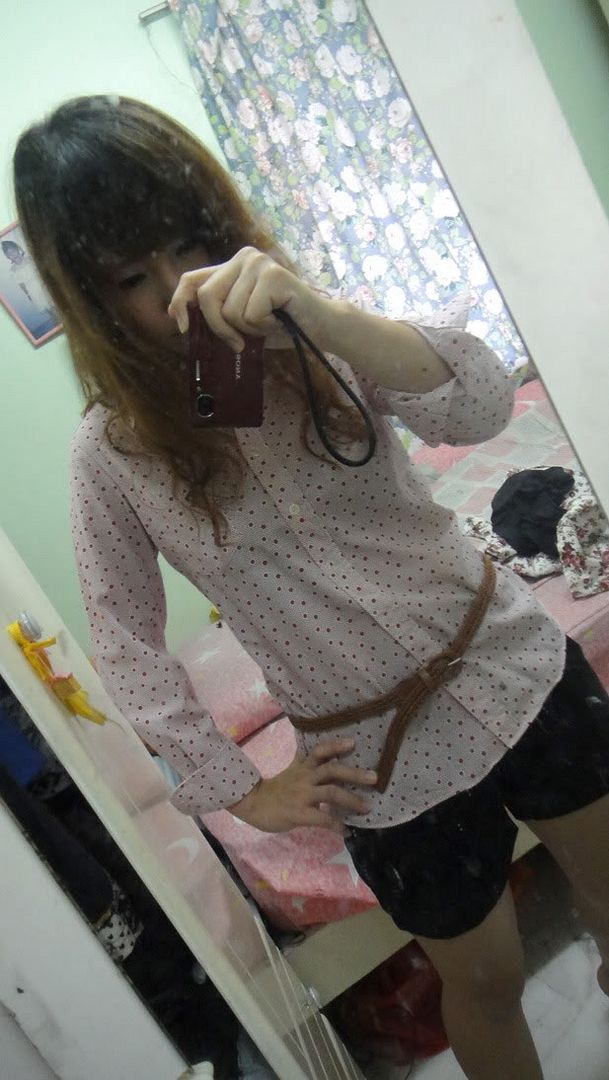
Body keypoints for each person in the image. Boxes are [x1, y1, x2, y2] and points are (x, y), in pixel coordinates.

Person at [13, 95, 609, 1080]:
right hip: (382, 766)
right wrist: (243, 790)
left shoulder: (317, 326)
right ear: (89, 298)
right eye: (129, 276)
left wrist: (323, 320)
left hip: (515, 667)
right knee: (485, 983)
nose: (177, 289)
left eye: (188, 243)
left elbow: (479, 405)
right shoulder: (110, 457)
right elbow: (122, 642)